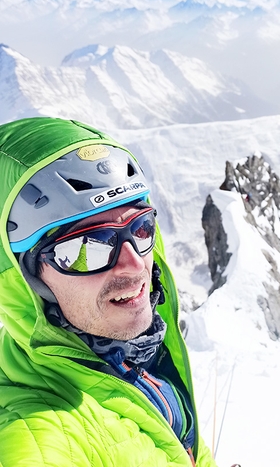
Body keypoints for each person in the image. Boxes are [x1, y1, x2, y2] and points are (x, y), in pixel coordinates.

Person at [0, 117, 217, 467]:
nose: (134, 266)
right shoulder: (34, 432)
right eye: (88, 248)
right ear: (26, 281)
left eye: (141, 228)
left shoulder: (135, 356)